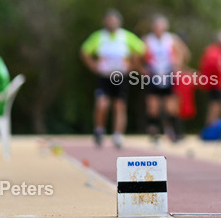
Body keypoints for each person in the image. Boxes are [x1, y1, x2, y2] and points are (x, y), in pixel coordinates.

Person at [80, 9, 145, 148]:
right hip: (104, 76)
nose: (111, 23)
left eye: (114, 20)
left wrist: (133, 65)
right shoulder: (99, 36)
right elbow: (84, 51)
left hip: (121, 76)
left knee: (119, 106)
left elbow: (141, 50)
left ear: (119, 22)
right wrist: (93, 65)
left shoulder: (126, 36)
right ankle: (99, 130)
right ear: (104, 22)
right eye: (109, 20)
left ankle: (118, 135)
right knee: (102, 104)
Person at [142, 14, 190, 143]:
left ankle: (174, 132)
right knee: (153, 106)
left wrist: (178, 65)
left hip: (168, 74)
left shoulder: (171, 39)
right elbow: (136, 56)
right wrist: (142, 68)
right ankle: (154, 132)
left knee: (171, 106)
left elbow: (185, 53)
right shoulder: (147, 40)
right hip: (154, 74)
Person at [198, 30, 221, 129]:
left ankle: (213, 126)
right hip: (214, 83)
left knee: (218, 105)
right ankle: (210, 127)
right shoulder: (213, 51)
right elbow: (213, 67)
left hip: (219, 83)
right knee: (215, 105)